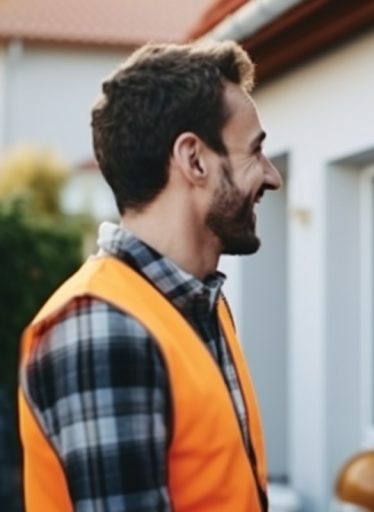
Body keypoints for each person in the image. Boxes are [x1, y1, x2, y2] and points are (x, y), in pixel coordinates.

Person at [17, 41, 282, 511]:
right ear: (194, 160)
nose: (272, 176)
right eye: (255, 152)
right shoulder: (101, 327)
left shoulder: (204, 306)